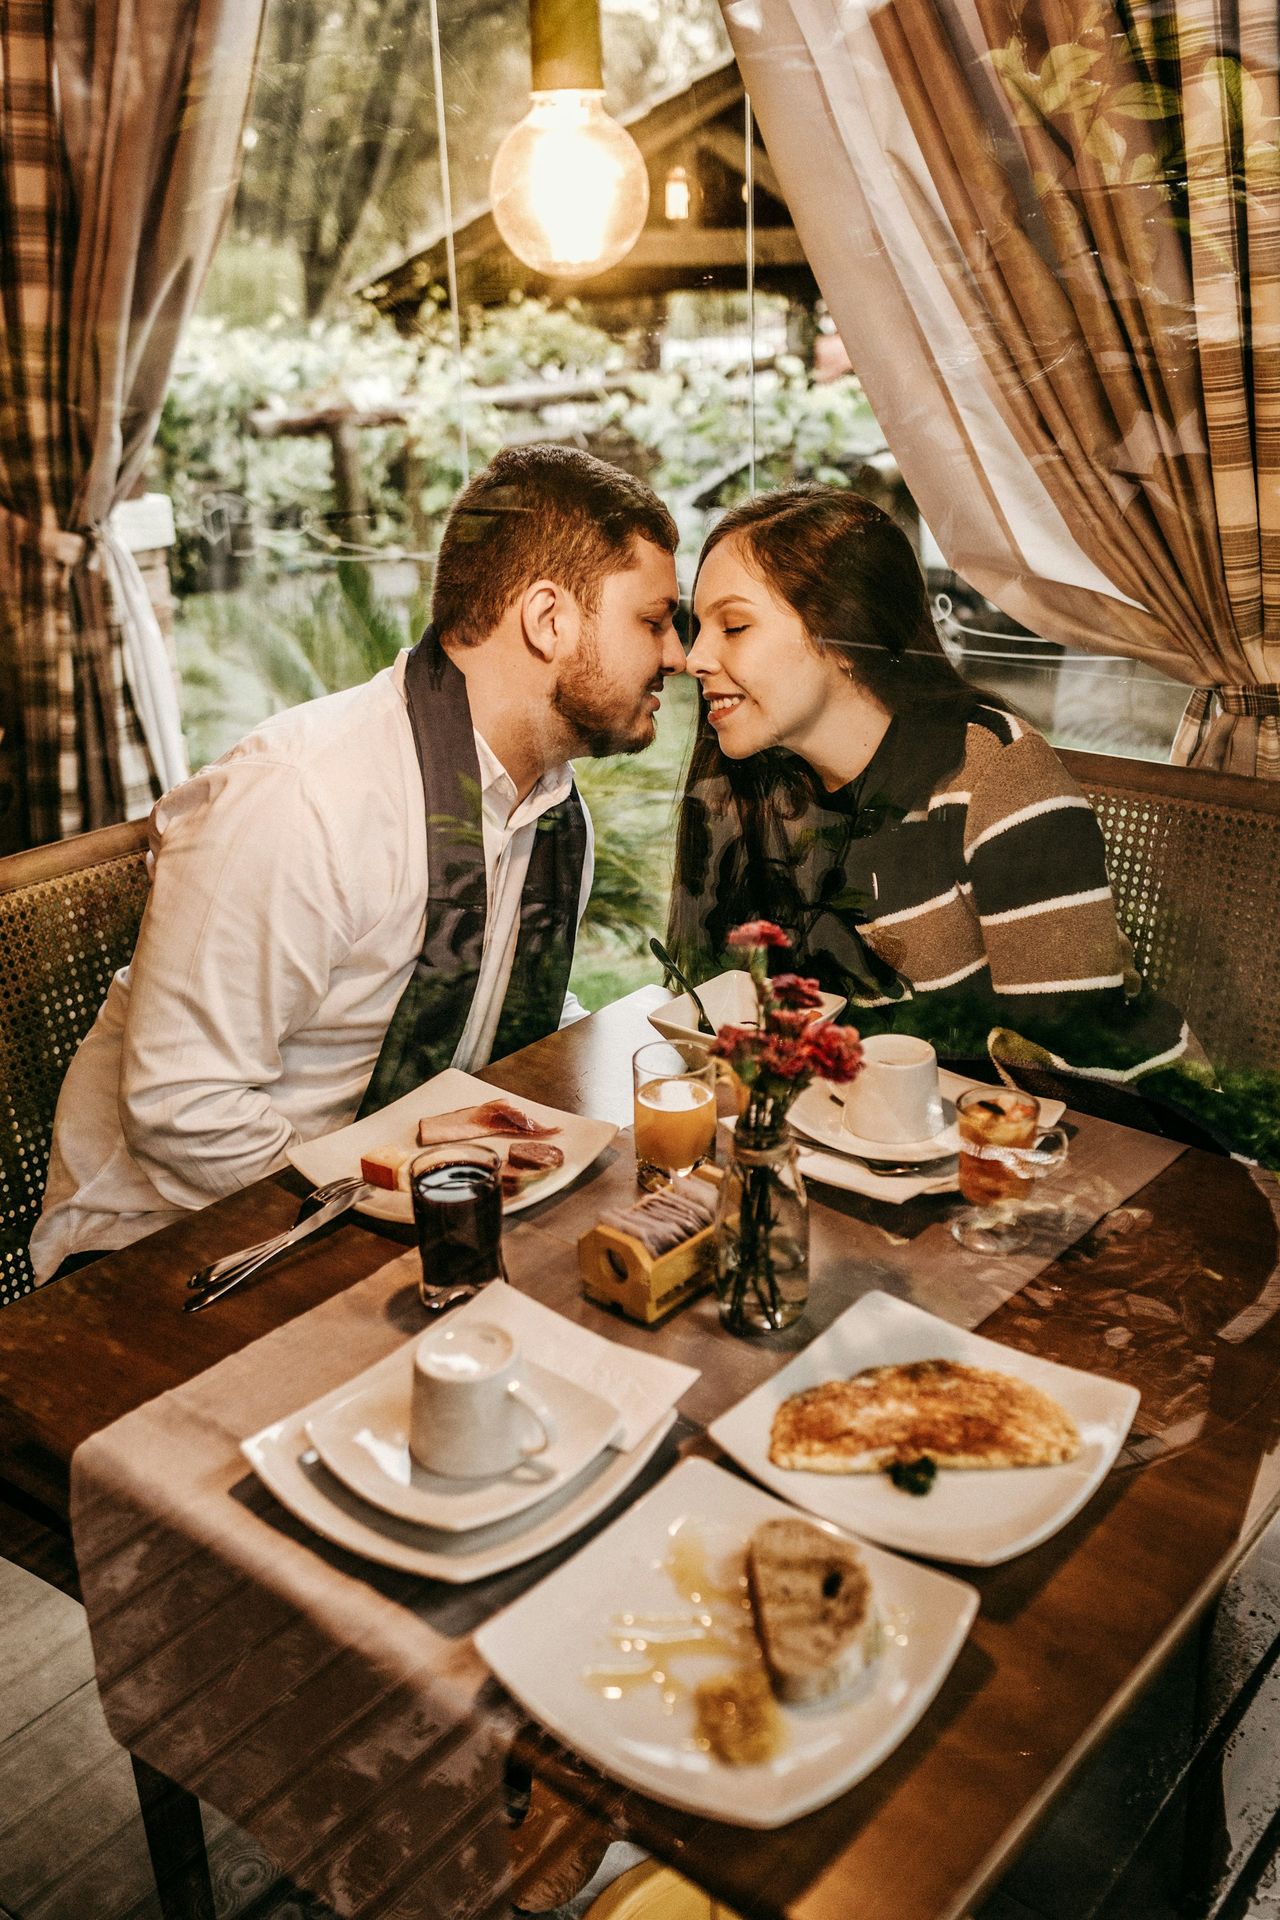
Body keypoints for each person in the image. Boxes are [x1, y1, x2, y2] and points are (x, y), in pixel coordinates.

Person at [31, 445, 684, 1282]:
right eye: (654, 620)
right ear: (549, 619)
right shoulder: (302, 800)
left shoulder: (551, 809)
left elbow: (501, 1003)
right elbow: (182, 1112)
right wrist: (386, 1197)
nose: (677, 656)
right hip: (163, 1254)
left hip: (386, 1210)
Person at [669, 485, 1197, 1088]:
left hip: (1112, 1140)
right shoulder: (770, 788)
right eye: (698, 626)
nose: (695, 657)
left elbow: (1072, 1068)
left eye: (734, 626)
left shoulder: (992, 777)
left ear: (844, 637)